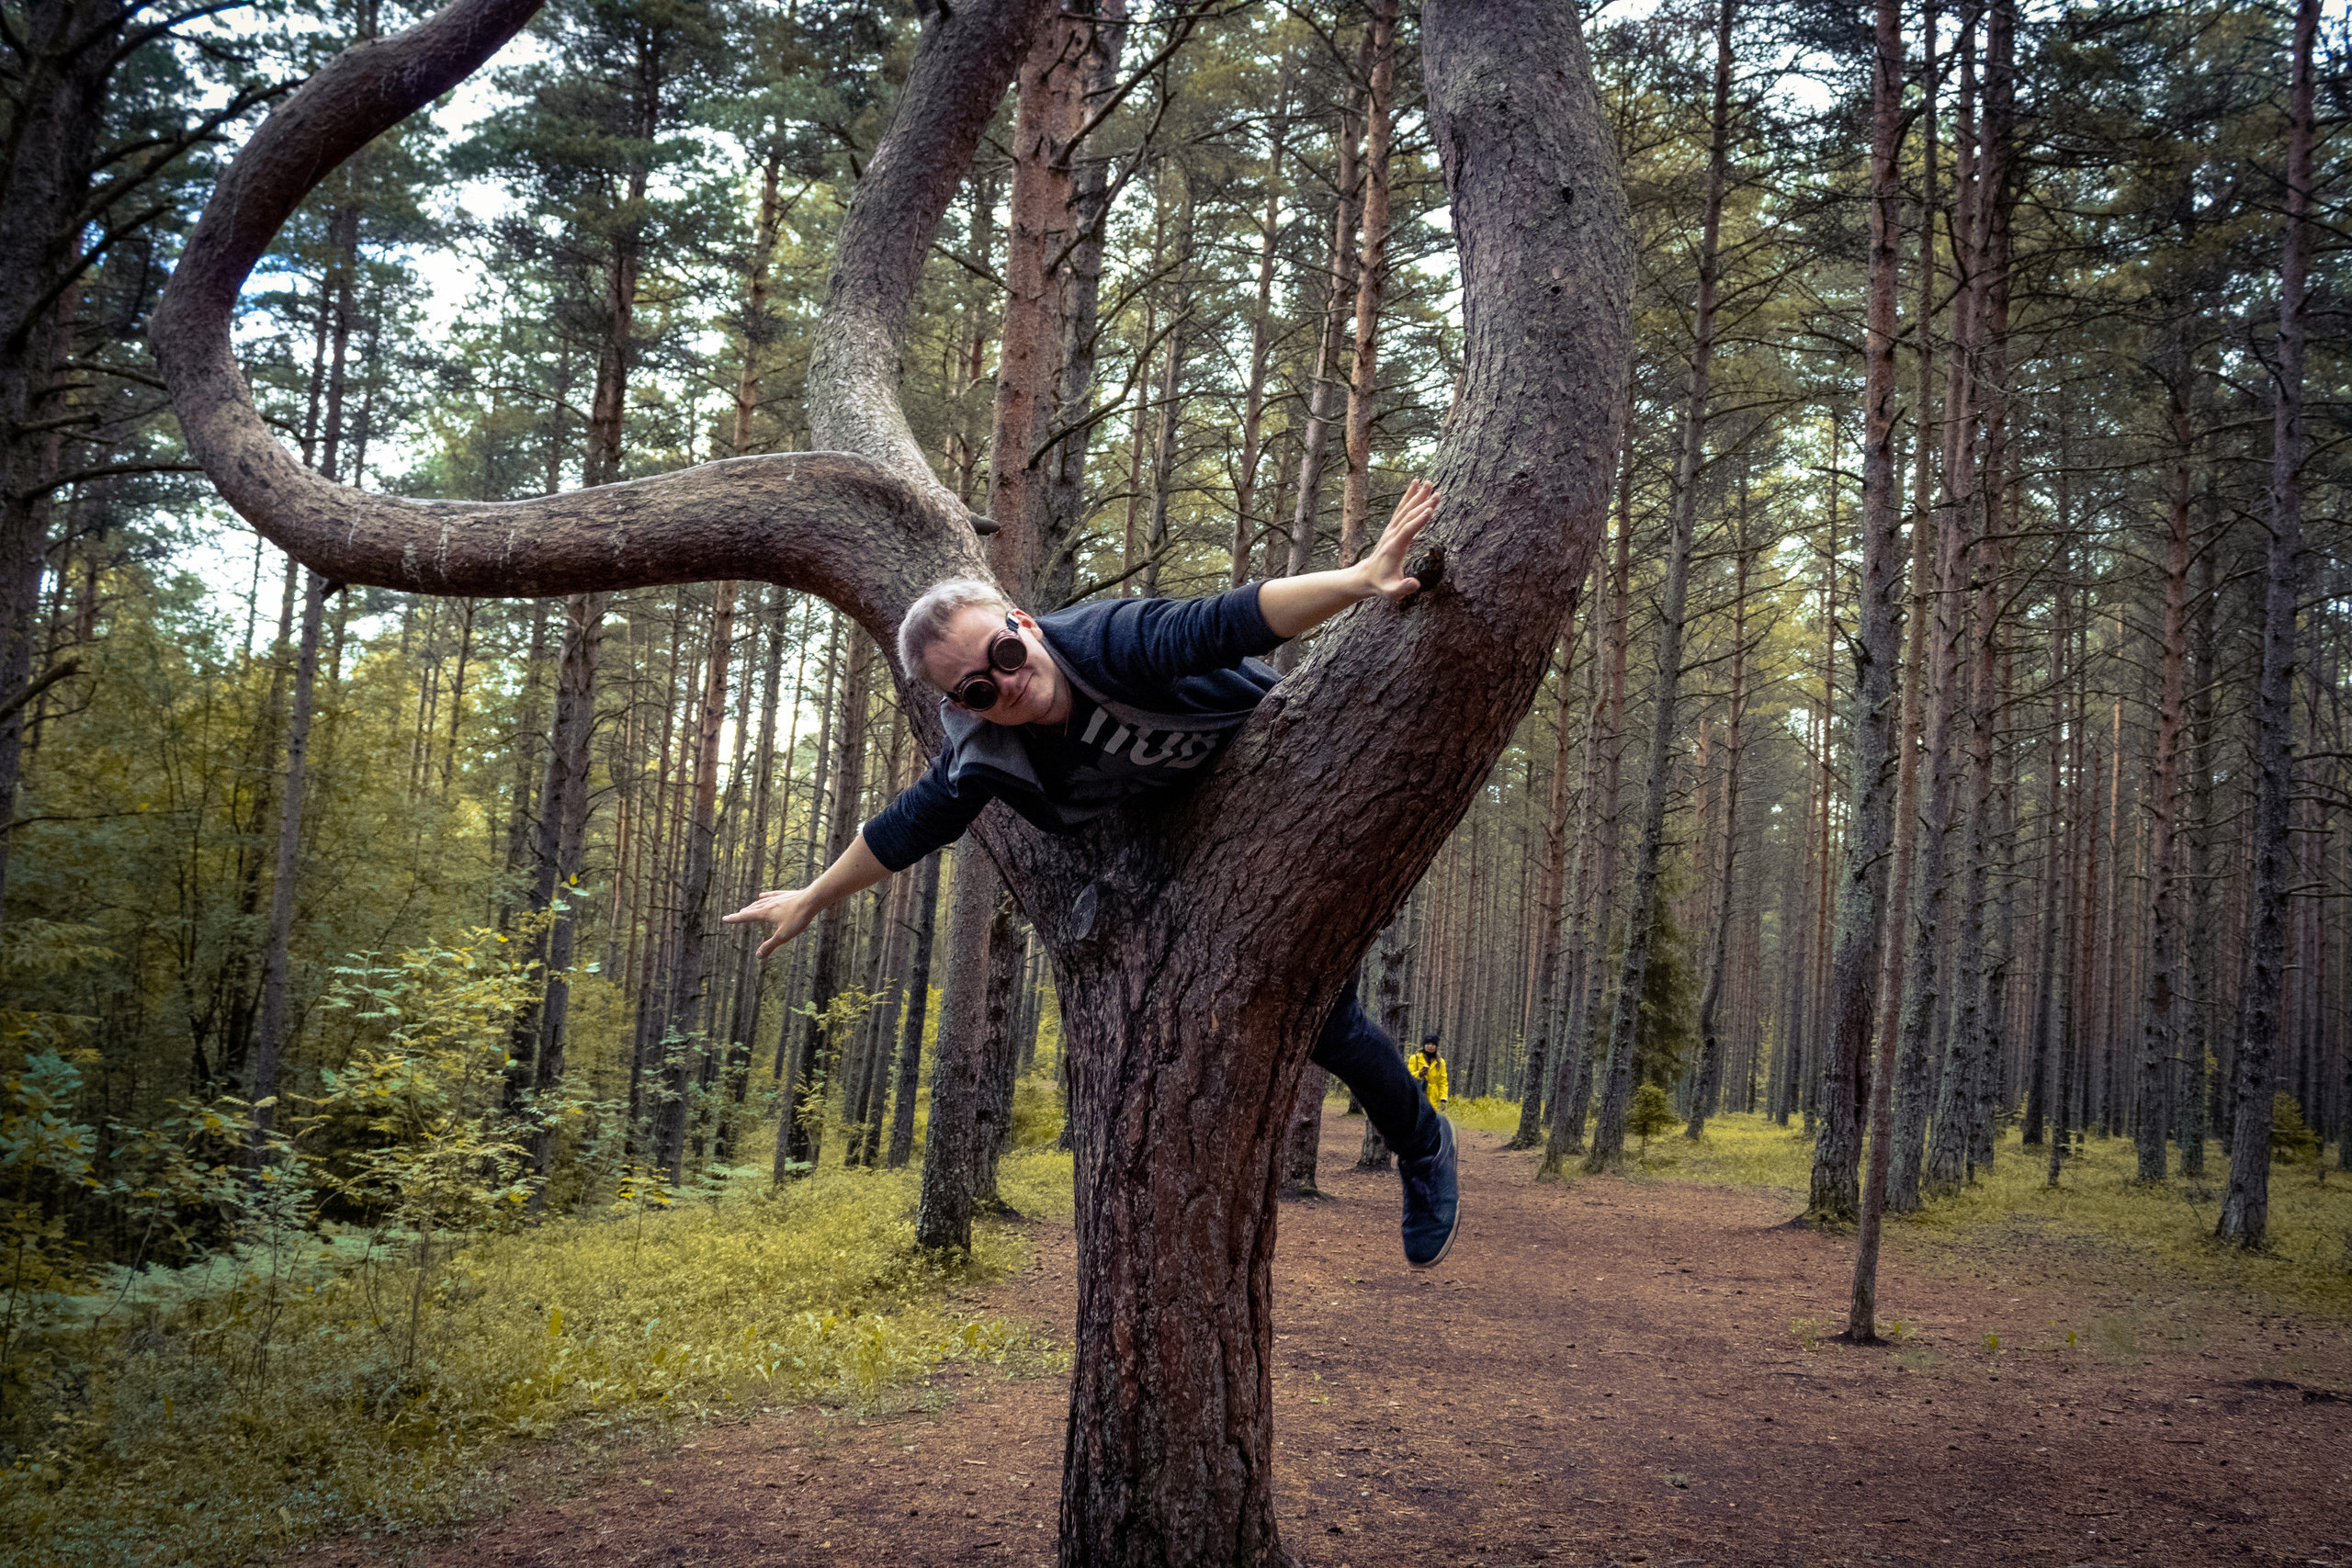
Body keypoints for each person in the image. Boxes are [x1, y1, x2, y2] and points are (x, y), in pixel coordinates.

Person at [726, 481, 1459, 1269]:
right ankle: (1418, 1139)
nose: (1006, 682)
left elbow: (1224, 620)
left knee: (1325, 1017)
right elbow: (910, 823)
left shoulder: (1108, 643)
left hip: (1290, 782)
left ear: (1024, 624)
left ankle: (1420, 1140)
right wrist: (813, 895)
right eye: (978, 688)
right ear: (962, 705)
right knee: (1310, 1022)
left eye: (1006, 653)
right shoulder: (985, 750)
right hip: (1195, 841)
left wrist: (1358, 580)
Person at [1407, 1034, 1450, 1111]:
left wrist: (1443, 1099)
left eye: (1433, 1044)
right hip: (1418, 1095)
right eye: (1428, 1044)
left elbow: (1443, 1082)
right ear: (1424, 1045)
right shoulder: (1415, 1058)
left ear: (1436, 1047)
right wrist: (1419, 1074)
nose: (1430, 1046)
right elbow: (1408, 1077)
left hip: (1434, 1099)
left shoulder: (1441, 1062)